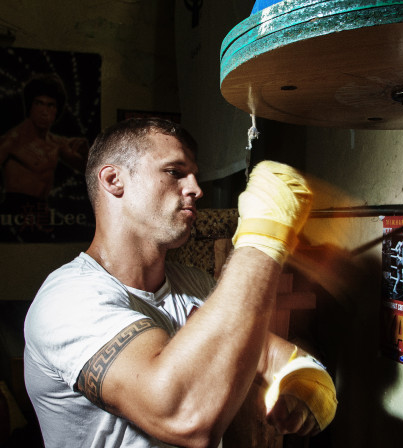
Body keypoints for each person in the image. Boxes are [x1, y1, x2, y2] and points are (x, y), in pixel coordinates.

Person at [23, 117, 337, 447]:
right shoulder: (69, 301)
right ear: (114, 180)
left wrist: (307, 381)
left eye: (195, 176)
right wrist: (264, 235)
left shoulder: (194, 285)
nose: (196, 190)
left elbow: (274, 356)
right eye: (175, 172)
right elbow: (184, 416)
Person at [0, 73, 89, 239]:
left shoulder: (57, 143)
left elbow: (87, 170)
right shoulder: (12, 141)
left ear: (57, 111)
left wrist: (87, 154)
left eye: (50, 105)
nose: (45, 111)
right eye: (39, 104)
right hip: (14, 212)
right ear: (30, 107)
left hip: (42, 211)